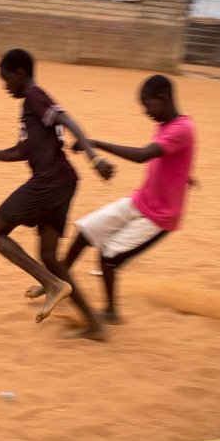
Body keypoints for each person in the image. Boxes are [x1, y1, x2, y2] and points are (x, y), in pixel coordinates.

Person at [0, 48, 114, 341]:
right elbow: (19, 151)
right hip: (64, 182)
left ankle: (51, 285)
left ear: (20, 73)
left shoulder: (35, 95)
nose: (4, 86)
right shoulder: (29, 106)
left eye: (6, 79)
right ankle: (94, 325)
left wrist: (94, 158)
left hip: (49, 182)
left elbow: (68, 120)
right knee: (49, 256)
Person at [26, 74, 196, 324]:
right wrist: (185, 176)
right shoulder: (167, 124)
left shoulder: (181, 128)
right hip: (141, 201)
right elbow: (173, 158)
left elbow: (143, 155)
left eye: (148, 105)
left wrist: (94, 143)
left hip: (159, 217)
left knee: (108, 257)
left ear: (163, 98)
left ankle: (111, 312)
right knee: (84, 231)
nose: (146, 112)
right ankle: (57, 282)